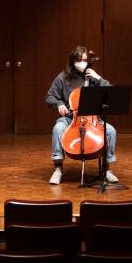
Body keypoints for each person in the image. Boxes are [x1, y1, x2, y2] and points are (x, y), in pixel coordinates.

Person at [45, 43, 117, 185]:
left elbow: (112, 92)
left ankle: (106, 169)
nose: (82, 63)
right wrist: (59, 104)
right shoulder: (63, 77)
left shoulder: (93, 78)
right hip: (70, 119)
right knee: (58, 128)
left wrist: (99, 78)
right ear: (73, 61)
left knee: (111, 131)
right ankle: (58, 168)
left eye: (85, 60)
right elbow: (49, 97)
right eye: (79, 60)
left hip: (93, 120)